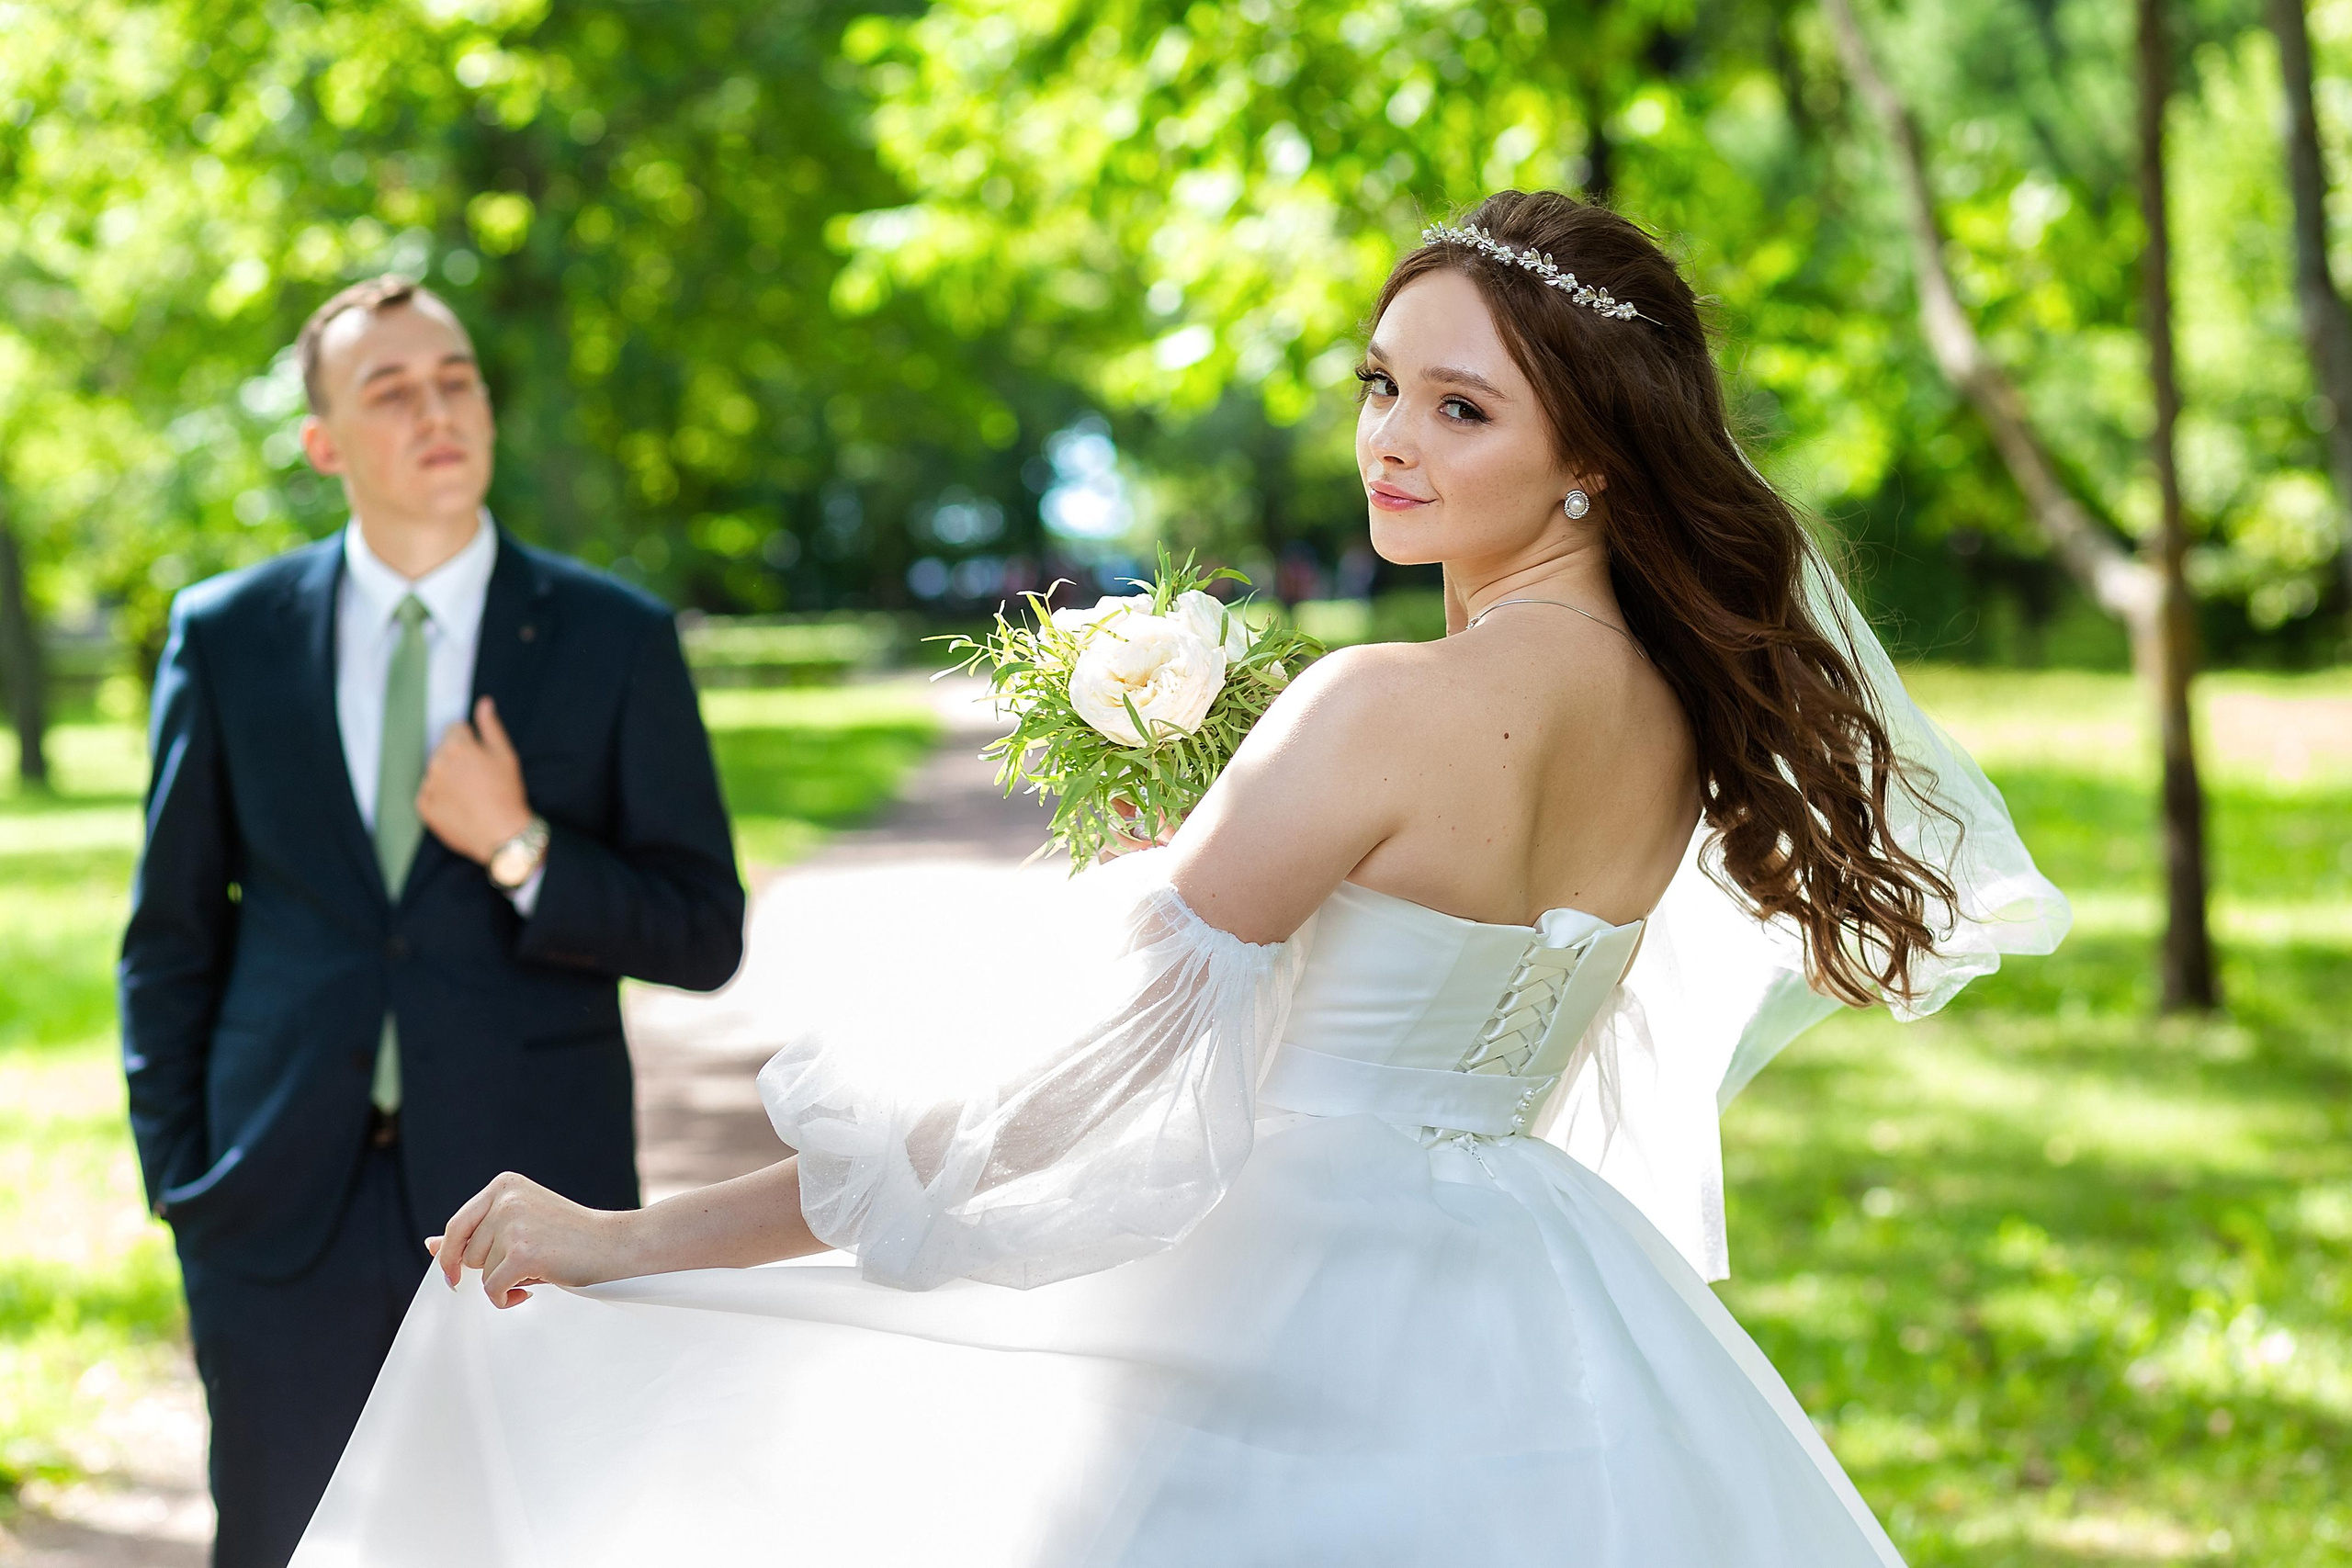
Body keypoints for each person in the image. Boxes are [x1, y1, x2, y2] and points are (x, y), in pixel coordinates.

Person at [290, 195, 2066, 1565]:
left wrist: (630, 1240)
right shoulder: (1679, 723)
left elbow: (1028, 1103)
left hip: (1280, 1306)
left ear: (1592, 452)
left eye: (1461, 408)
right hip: (1547, 1305)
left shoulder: (1381, 707)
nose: (1392, 441)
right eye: (1382, 384)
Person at [119, 275, 746, 1568]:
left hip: (533, 1203)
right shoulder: (228, 637)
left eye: (456, 380)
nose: (436, 411)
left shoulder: (613, 638)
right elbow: (169, 941)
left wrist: (521, 846)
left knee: (538, 1540)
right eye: (391, 391)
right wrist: (186, 1182)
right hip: (273, 1207)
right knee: (284, 1543)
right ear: (324, 443)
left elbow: (702, 931)